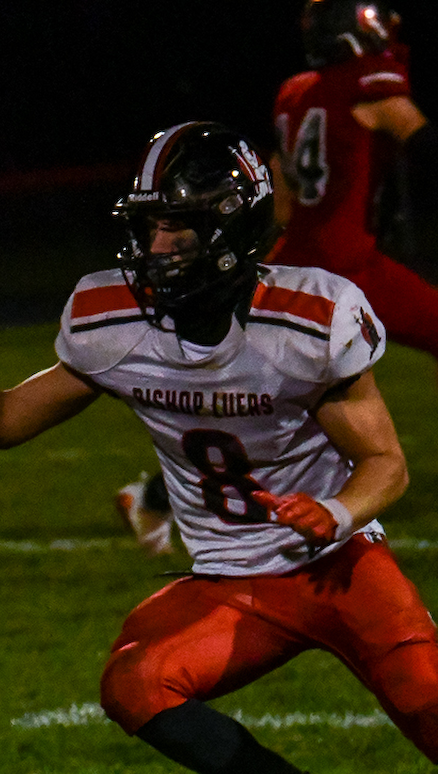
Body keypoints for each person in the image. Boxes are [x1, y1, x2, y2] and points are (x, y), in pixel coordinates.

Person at [0, 122, 438, 774]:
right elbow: (10, 417)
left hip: (338, 565)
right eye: (149, 225)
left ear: (231, 229)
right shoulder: (113, 319)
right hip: (232, 583)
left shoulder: (307, 319)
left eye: (177, 227)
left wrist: (335, 510)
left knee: (429, 704)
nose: (155, 246)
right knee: (134, 682)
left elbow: (387, 463)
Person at [118, 0, 437, 553]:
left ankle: (150, 497)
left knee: (256, 397)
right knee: (268, 402)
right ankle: (157, 497)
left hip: (297, 255)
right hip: (346, 266)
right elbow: (422, 141)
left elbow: (281, 189)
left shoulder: (296, 91)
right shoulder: (371, 88)